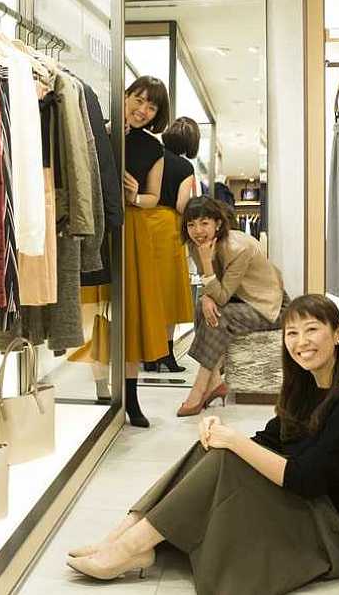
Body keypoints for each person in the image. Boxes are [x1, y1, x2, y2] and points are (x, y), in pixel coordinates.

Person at [66, 294, 339, 593]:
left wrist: (234, 442)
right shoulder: (308, 383)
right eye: (292, 333)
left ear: (338, 334)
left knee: (228, 453)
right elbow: (271, 440)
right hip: (308, 507)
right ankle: (122, 537)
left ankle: (131, 546)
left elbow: (306, 480)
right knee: (214, 449)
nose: (301, 342)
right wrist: (222, 435)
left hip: (336, 532)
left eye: (312, 330)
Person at [175, 196, 286, 417]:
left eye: (204, 223)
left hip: (268, 306)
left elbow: (222, 296)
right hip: (239, 300)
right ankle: (215, 381)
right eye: (191, 224)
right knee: (203, 308)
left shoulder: (239, 248)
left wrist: (206, 269)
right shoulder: (198, 245)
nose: (197, 231)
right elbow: (212, 288)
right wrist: (205, 297)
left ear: (217, 223)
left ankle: (200, 387)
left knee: (219, 315)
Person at [120, 75, 182, 428]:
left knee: (130, 315)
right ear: (126, 95)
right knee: (99, 313)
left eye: (152, 107)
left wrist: (134, 196)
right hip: (97, 223)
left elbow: (153, 198)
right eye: (139, 100)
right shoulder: (101, 128)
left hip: (131, 229)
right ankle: (102, 392)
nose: (143, 110)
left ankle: (130, 398)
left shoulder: (153, 148)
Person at [144, 116, 202, 374]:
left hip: (144, 223)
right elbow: (181, 205)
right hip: (168, 228)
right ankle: (166, 353)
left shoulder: (151, 156)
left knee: (147, 291)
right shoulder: (185, 168)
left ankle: (148, 354)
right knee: (168, 293)